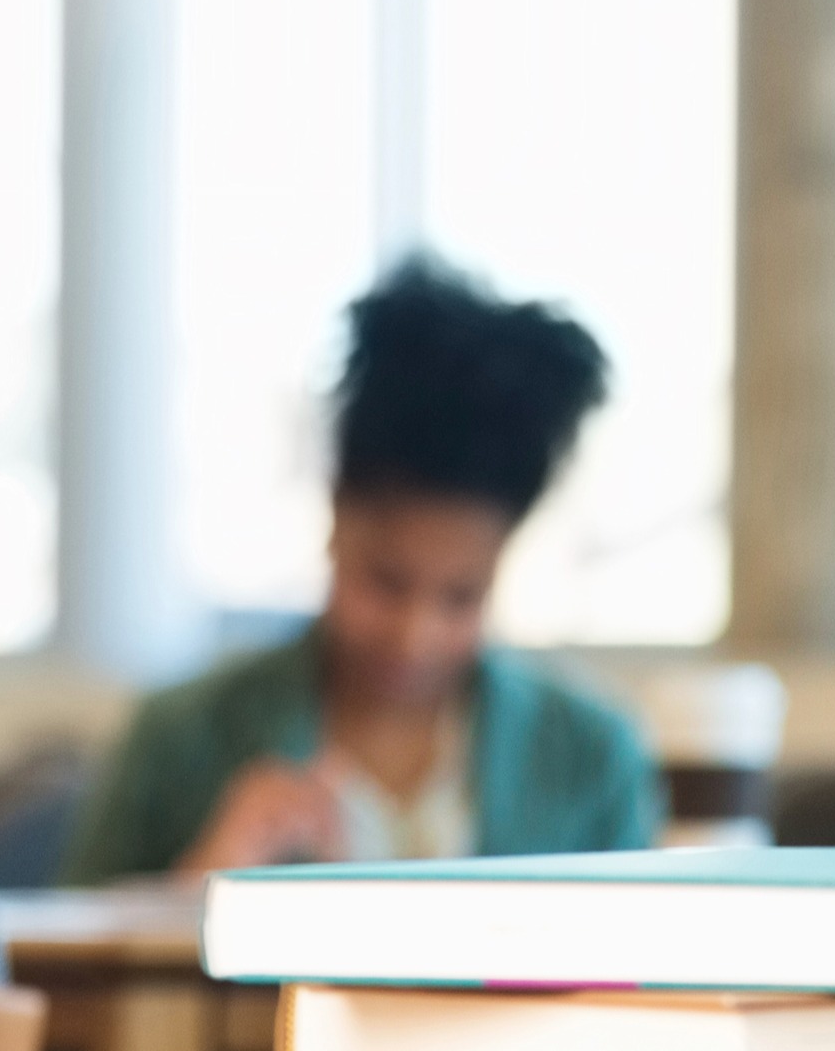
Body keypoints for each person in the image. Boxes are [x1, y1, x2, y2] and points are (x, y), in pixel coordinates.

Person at [62, 257, 658, 885]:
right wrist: (198, 888)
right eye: (386, 582)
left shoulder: (591, 758)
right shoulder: (179, 741)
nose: (414, 634)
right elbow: (55, 961)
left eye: (461, 597)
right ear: (334, 520)